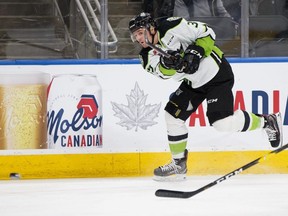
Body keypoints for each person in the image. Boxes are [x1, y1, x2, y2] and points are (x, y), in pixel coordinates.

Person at [128, 12, 283, 181]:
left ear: (151, 28)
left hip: (216, 74)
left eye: (141, 33)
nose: (139, 39)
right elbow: (163, 74)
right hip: (193, 82)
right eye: (135, 36)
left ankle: (267, 121)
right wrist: (168, 65)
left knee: (222, 124)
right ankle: (179, 163)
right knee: (172, 116)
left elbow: (208, 33)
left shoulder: (173, 26)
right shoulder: (146, 56)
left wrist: (195, 53)